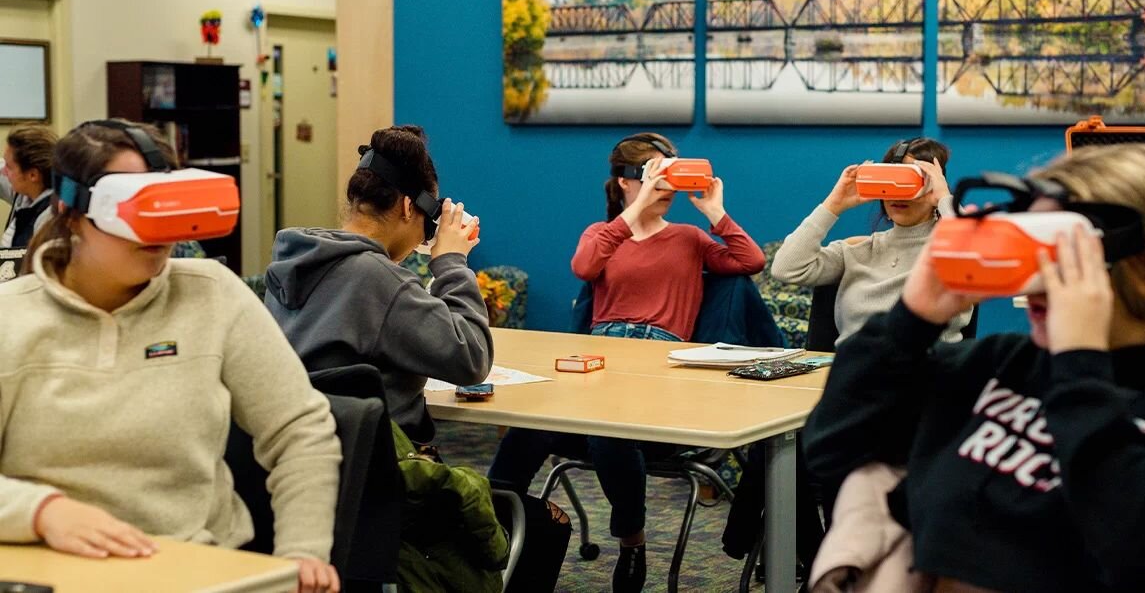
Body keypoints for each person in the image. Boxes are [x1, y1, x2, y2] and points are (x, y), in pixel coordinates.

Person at [804, 143, 1145, 592]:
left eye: (1057, 256)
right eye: (1026, 249)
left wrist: (1080, 368)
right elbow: (834, 448)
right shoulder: (1001, 365)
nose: (1032, 282)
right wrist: (911, 319)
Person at [0, 120, 342, 593]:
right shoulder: (10, 317)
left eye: (166, 204)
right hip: (42, 574)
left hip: (196, 571)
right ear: (70, 210)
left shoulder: (214, 296)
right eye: (134, 207)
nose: (156, 231)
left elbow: (301, 431)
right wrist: (40, 512)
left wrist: (303, 553)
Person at [265, 125, 569, 592]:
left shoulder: (294, 265)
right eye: (429, 223)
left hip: (303, 485)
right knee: (546, 523)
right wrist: (450, 261)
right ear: (409, 206)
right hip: (390, 490)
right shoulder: (376, 278)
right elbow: (472, 356)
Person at [488, 132, 766, 592]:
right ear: (624, 181)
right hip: (599, 359)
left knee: (608, 429)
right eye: (655, 176)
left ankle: (631, 543)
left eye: (670, 176)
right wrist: (631, 214)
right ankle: (498, 528)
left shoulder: (689, 238)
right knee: (529, 419)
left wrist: (714, 209)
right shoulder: (603, 235)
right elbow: (584, 265)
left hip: (658, 367)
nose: (666, 187)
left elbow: (750, 260)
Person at [772, 137, 970, 344]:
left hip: (925, 369)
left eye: (909, 181)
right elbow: (786, 268)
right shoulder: (859, 250)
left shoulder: (951, 251)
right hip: (854, 369)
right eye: (889, 180)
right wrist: (833, 204)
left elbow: (978, 250)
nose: (897, 194)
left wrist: (944, 200)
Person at [1, 124, 57, 248]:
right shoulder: (27, 191)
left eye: (9, 167)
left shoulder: (50, 220)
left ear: (33, 175)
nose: (3, 172)